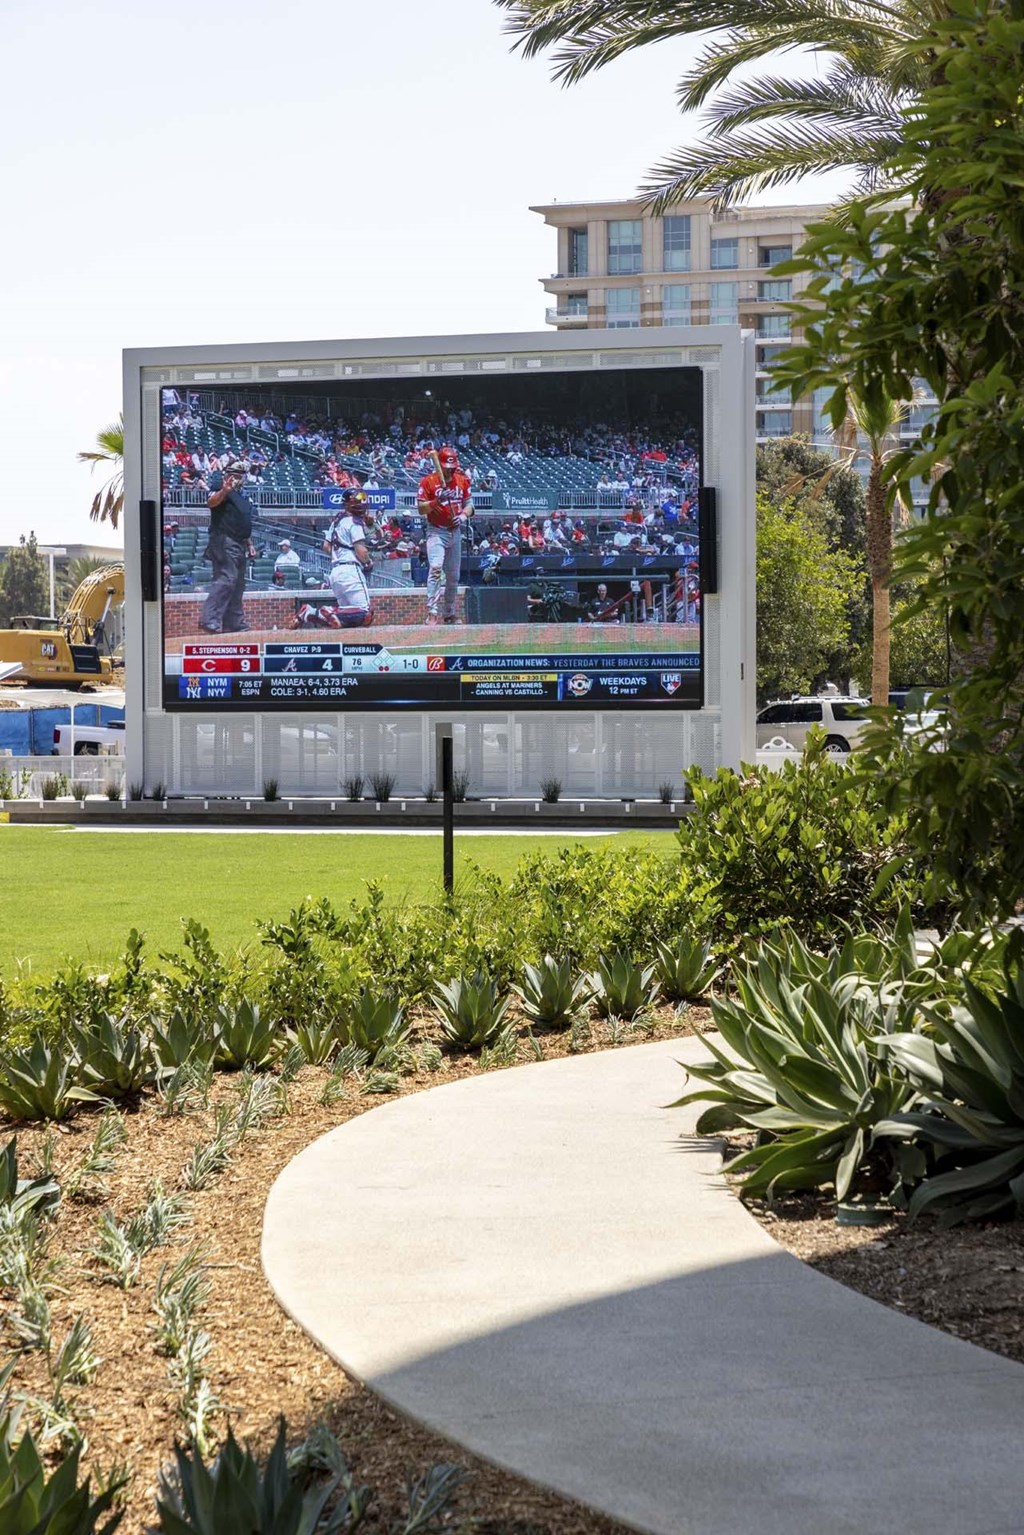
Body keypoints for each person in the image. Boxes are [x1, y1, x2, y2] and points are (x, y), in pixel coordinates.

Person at [417, 445, 474, 624]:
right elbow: (420, 509)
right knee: (435, 568)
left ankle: (449, 613)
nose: (450, 470)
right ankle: (432, 612)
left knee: (453, 576)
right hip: (436, 530)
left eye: (452, 467)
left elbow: (470, 505)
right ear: (440, 466)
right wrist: (437, 501)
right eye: (447, 467)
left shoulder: (462, 480)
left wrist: (464, 516)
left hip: (454, 531)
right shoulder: (428, 481)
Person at [202, 460, 255, 633]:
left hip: (240, 542)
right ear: (227, 475)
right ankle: (209, 620)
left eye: (241, 475)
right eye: (234, 474)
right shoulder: (220, 487)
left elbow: (242, 521)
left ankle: (234, 623)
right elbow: (211, 502)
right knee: (227, 579)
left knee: (238, 584)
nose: (238, 478)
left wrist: (249, 544)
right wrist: (225, 490)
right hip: (223, 541)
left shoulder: (242, 494)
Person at [321, 489, 374, 627]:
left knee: (346, 619)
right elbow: (360, 550)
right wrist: (368, 562)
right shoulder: (354, 521)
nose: (359, 505)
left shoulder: (337, 521)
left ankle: (310, 613)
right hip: (351, 570)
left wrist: (340, 555)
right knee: (366, 612)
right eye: (355, 502)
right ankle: (330, 610)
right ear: (346, 504)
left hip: (335, 572)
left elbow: (326, 547)